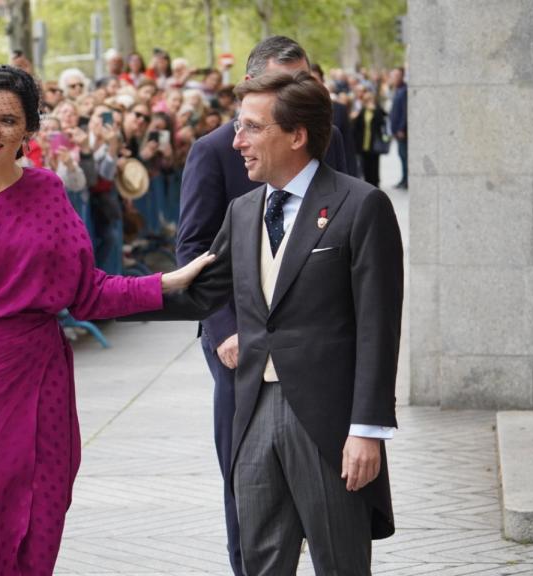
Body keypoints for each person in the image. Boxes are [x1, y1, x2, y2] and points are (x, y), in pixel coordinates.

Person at [0, 65, 212, 574]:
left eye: (7, 120)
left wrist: (167, 283)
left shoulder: (47, 192)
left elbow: (87, 294)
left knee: (43, 514)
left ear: (29, 131)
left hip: (41, 382)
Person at [149, 70, 402, 575]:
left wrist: (367, 431)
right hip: (253, 414)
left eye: (251, 128)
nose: (237, 141)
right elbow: (199, 295)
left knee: (341, 564)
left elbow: (379, 328)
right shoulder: (243, 212)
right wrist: (85, 293)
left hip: (329, 427)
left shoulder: (361, 205)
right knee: (260, 563)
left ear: (297, 135)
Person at [175, 35, 352, 576]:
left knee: (324, 479)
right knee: (248, 480)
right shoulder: (213, 153)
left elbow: (349, 232)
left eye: (306, 80)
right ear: (253, 84)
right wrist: (227, 329)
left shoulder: (328, 138)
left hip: (313, 346)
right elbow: (194, 251)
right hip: (241, 348)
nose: (302, 90)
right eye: (286, 81)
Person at [352, 91, 388, 187]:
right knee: (365, 165)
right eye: (366, 100)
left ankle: (376, 183)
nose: (369, 102)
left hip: (374, 143)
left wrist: (376, 110)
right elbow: (357, 127)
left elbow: (383, 120)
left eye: (370, 100)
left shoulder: (377, 111)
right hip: (364, 143)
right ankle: (368, 184)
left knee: (375, 165)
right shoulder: (362, 111)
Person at [389, 67, 407, 189]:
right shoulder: (397, 90)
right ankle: (403, 179)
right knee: (401, 155)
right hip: (396, 131)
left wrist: (402, 128)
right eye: (393, 76)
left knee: (404, 155)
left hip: (402, 132)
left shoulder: (405, 91)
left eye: (397, 75)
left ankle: (406, 180)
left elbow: (405, 112)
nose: (394, 78)